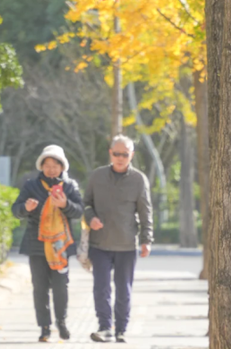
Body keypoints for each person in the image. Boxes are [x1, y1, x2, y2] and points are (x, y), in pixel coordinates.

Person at [84, 135, 153, 343]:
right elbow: (86, 203)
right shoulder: (97, 176)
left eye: (125, 154)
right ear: (110, 153)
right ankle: (105, 327)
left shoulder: (139, 179)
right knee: (101, 287)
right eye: (117, 154)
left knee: (124, 288)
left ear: (131, 155)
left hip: (126, 245)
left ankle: (121, 329)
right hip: (99, 244)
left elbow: (145, 212)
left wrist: (146, 239)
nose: (121, 158)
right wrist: (91, 218)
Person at [12, 145, 83, 343]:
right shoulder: (31, 186)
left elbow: (79, 211)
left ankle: (61, 322)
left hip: (60, 245)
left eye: (55, 165)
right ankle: (44, 327)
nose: (51, 169)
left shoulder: (70, 186)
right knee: (39, 287)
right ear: (41, 166)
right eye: (47, 165)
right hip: (37, 244)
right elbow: (15, 209)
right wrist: (26, 208)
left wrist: (64, 205)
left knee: (61, 286)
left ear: (62, 167)